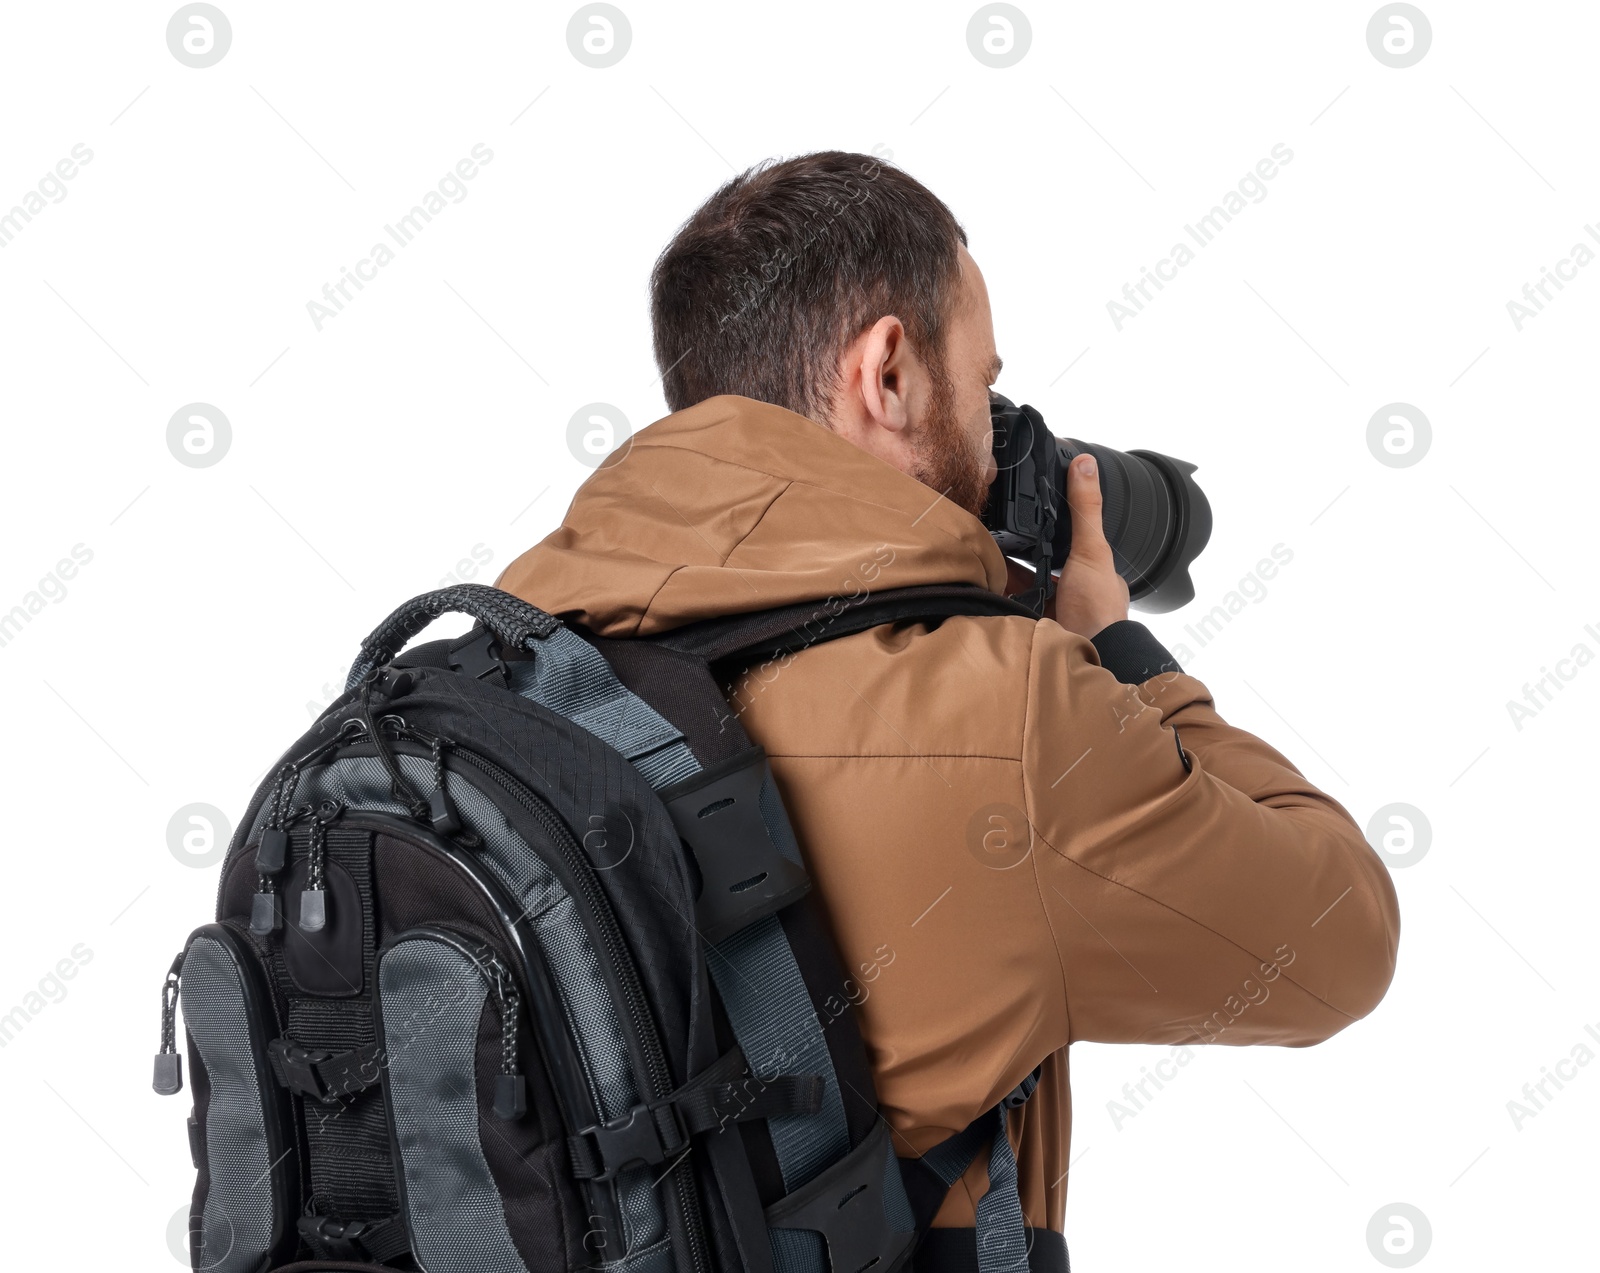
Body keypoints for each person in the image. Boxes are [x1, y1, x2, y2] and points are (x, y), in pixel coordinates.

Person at [497, 151, 1399, 1267]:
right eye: (982, 382)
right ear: (887, 372)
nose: (994, 423)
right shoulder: (1007, 714)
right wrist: (1115, 651)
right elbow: (1339, 942)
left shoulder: (493, 679)